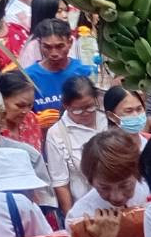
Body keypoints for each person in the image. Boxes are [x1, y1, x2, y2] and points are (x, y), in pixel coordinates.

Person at [45, 75, 107, 214]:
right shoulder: (57, 133)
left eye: (90, 107)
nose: (85, 114)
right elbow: (60, 182)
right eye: (78, 110)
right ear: (66, 106)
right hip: (86, 208)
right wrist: (70, 217)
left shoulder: (108, 119)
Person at [21, 18, 90, 119]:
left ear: (70, 43)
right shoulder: (28, 77)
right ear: (40, 44)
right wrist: (36, 121)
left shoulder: (84, 71)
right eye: (47, 47)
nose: (54, 53)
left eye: (59, 46)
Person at [15, 0, 65, 69]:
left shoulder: (69, 37)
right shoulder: (34, 46)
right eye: (59, 11)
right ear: (47, 13)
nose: (65, 15)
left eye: (66, 10)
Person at [0, 69, 43, 151]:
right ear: (2, 99)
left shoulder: (31, 119)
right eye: (20, 106)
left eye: (30, 105)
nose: (25, 111)